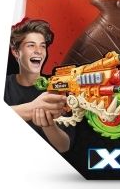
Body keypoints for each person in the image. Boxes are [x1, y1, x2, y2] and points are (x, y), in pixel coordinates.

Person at [5, 19, 72, 153]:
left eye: (42, 46)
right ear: (16, 52)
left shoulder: (58, 86)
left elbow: (64, 146)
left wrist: (48, 125)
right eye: (31, 45)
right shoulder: (4, 86)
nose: (39, 51)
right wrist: (33, 108)